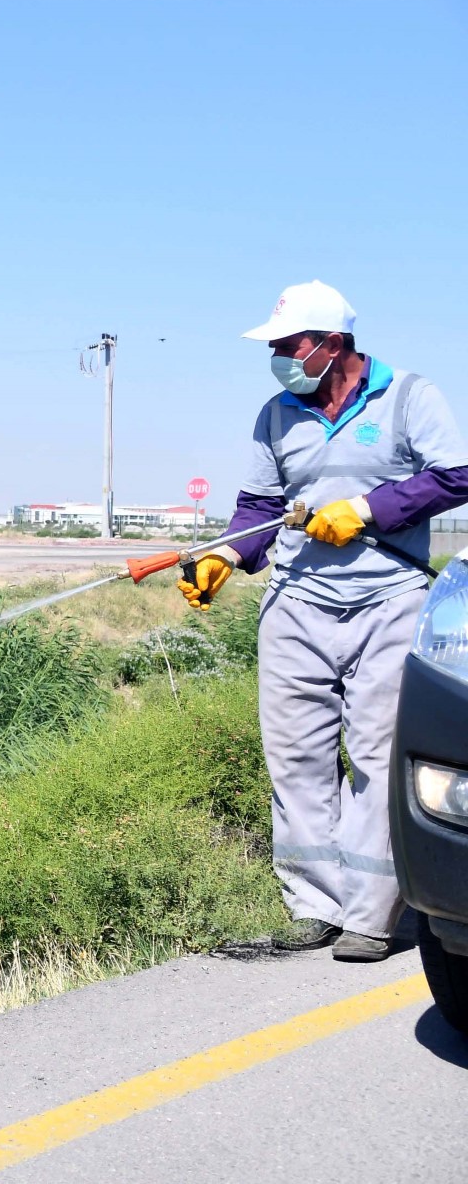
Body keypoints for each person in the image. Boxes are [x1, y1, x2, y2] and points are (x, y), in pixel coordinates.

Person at [179, 280, 468, 961]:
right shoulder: (275, 414)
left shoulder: (407, 397)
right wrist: (225, 554)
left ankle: (371, 915)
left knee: (374, 757)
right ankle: (315, 907)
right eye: (275, 346)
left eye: (289, 344)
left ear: (334, 344)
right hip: (296, 606)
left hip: (389, 601)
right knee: (297, 759)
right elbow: (259, 508)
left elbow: (456, 476)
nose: (279, 356)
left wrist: (366, 510)